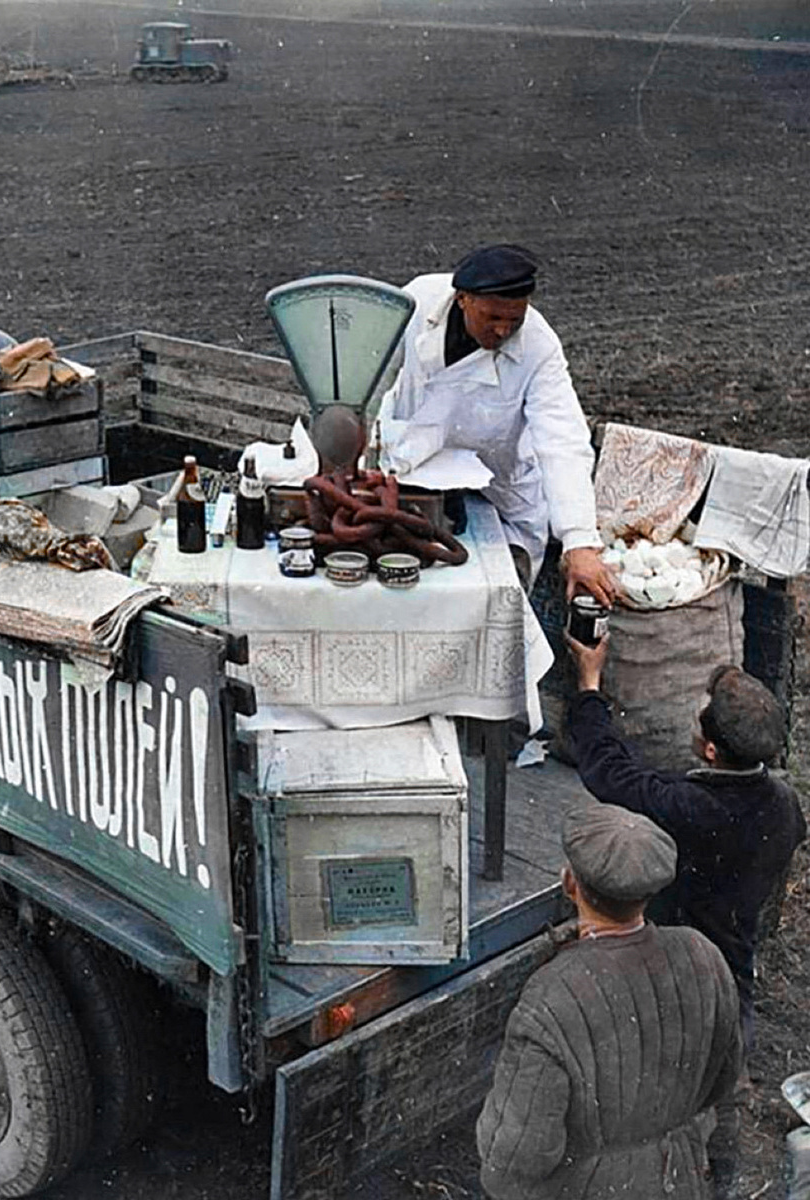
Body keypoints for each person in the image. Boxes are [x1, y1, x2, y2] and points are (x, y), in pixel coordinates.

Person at [477, 802, 742, 1200]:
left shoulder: (550, 999)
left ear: (570, 884)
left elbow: (514, 1159)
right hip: (682, 1181)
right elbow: (727, 1089)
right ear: (651, 892)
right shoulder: (702, 955)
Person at [563, 633, 806, 1047]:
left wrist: (589, 685)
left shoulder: (689, 808)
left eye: (699, 713)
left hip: (679, 977)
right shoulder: (785, 804)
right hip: (732, 981)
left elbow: (609, 772)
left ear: (710, 751)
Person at [375, 243, 614, 602]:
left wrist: (579, 540)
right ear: (462, 300)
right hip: (412, 472)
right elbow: (371, 371)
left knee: (498, 598)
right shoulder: (417, 301)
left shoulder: (539, 346)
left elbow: (562, 439)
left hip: (498, 485)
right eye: (492, 317)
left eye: (513, 320)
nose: (503, 330)